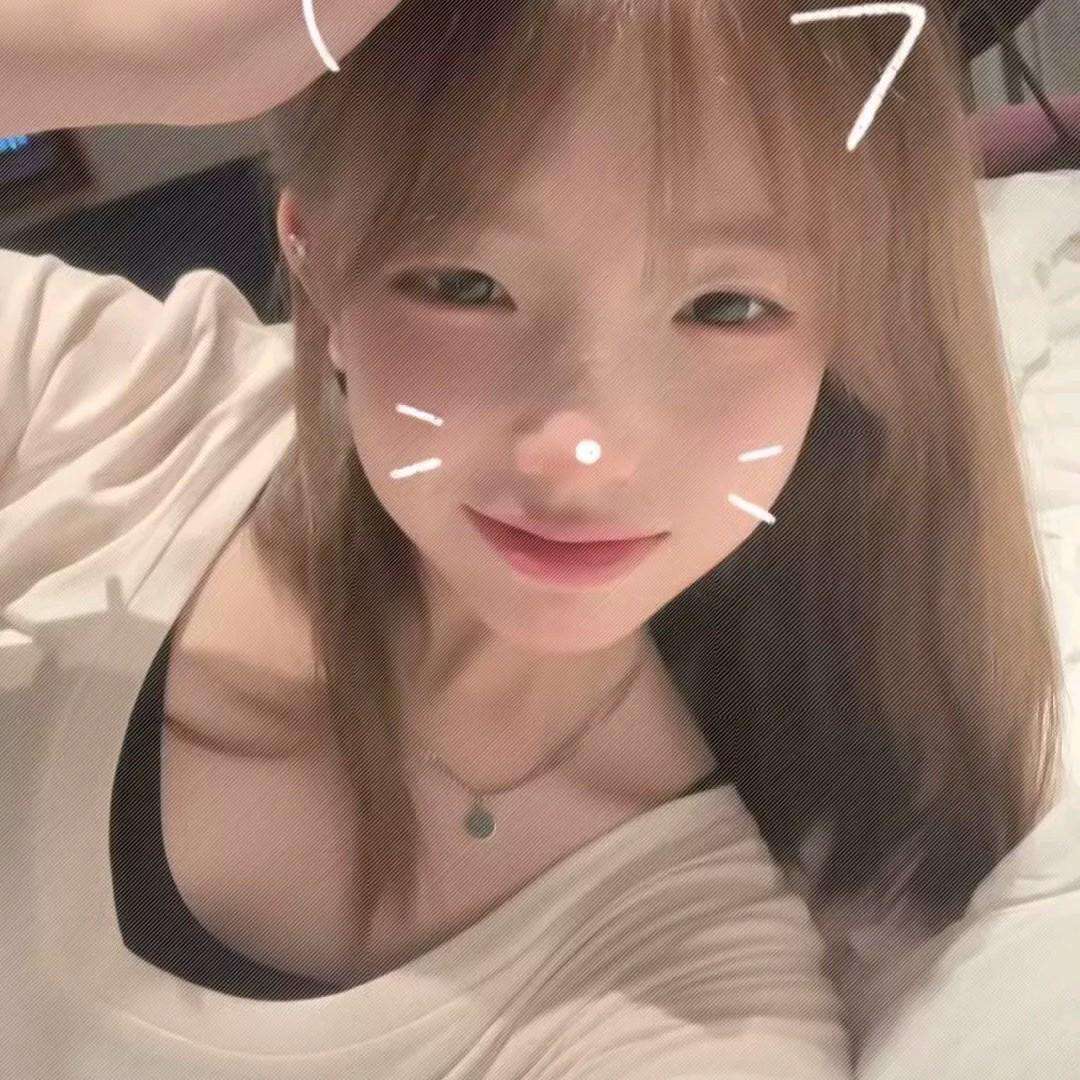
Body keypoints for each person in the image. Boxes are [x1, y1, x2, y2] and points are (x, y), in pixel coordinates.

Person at [0, 0, 1066, 1077]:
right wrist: (139, 57)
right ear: (312, 260)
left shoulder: (676, 1002)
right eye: (467, 286)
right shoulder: (91, 406)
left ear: (852, 321)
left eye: (726, 306)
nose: (581, 454)